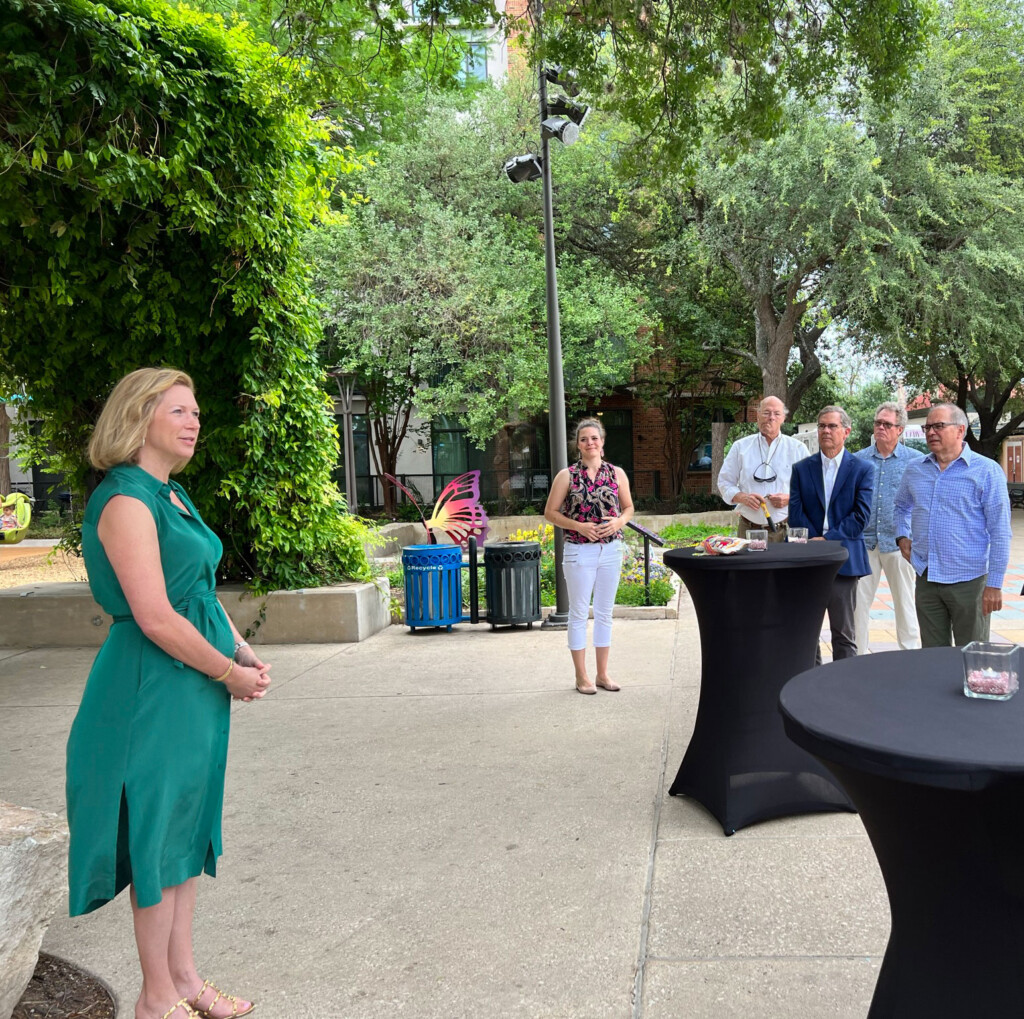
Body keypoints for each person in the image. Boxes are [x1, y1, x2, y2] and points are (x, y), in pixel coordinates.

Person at [65, 368, 271, 1019]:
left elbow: (199, 592)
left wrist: (239, 647)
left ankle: (184, 977)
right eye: (179, 410)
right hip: (149, 689)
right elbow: (154, 616)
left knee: (184, 833)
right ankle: (155, 997)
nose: (194, 421)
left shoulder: (173, 494)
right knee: (155, 837)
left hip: (192, 688)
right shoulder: (127, 500)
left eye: (196, 411)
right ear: (138, 417)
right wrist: (226, 672)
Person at [894, 403, 1012, 647]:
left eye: (938, 426)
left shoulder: (987, 471)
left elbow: (1000, 531)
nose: (930, 432)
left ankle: (970, 688)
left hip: (969, 581)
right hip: (926, 578)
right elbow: (900, 506)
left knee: (973, 654)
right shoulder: (915, 469)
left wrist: (995, 585)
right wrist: (901, 536)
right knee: (933, 655)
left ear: (960, 430)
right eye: (927, 427)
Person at [544, 418, 634, 694]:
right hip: (578, 550)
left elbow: (629, 508)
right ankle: (581, 676)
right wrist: (579, 526)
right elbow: (550, 513)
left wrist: (618, 523)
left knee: (605, 613)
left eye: (594, 438)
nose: (589, 443)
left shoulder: (616, 473)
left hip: (611, 550)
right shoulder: (567, 476)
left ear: (602, 442)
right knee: (579, 613)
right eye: (584, 439)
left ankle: (602, 674)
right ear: (578, 445)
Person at [789, 405, 874, 661]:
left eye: (832, 426)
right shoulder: (801, 469)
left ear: (846, 431)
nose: (826, 430)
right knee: (806, 634)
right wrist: (813, 543)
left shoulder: (862, 469)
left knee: (844, 635)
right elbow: (795, 513)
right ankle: (808, 691)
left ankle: (843, 693)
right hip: (807, 560)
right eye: (822, 425)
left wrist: (826, 540)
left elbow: (860, 517)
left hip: (844, 561)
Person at [853, 402, 925, 653]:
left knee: (906, 605)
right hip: (864, 543)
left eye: (887, 424)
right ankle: (856, 658)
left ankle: (910, 658)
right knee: (857, 607)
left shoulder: (917, 462)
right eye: (877, 423)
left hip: (900, 544)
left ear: (900, 429)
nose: (881, 427)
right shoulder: (858, 460)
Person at [717, 396, 809, 541]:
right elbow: (724, 483)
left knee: (782, 565)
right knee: (746, 565)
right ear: (758, 415)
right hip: (747, 530)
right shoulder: (740, 447)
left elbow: (811, 489)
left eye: (777, 413)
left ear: (783, 418)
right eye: (766, 413)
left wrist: (790, 499)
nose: (771, 417)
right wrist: (743, 497)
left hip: (783, 531)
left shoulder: (798, 448)